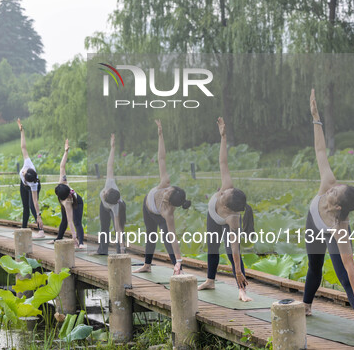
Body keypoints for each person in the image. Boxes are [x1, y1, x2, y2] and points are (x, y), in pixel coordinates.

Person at [302, 89, 354, 339]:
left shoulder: (341, 229)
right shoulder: (328, 182)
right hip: (313, 224)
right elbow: (320, 151)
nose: (331, 189)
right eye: (335, 187)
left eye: (334, 193)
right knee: (315, 268)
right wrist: (316, 118)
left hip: (330, 232)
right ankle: (306, 306)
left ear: (337, 207)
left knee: (345, 276)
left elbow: (352, 269)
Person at [197, 117, 255, 302]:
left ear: (227, 207)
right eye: (223, 193)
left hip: (221, 220)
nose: (219, 193)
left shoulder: (233, 219)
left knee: (231, 253)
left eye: (222, 197)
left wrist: (238, 271)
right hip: (212, 216)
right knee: (212, 247)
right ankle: (210, 280)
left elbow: (236, 250)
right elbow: (223, 162)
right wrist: (223, 137)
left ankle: (242, 291)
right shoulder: (227, 186)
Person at [133, 120, 191, 275]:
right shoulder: (165, 182)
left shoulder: (168, 213)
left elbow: (174, 239)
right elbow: (162, 159)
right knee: (150, 235)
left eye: (167, 195)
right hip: (147, 207)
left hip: (157, 214)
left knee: (167, 240)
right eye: (168, 190)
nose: (165, 192)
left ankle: (178, 269)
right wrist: (160, 135)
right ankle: (147, 264)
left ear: (169, 201)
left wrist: (179, 260)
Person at [49, 139, 85, 249]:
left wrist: (66, 151)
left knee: (77, 221)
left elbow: (62, 166)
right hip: (68, 202)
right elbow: (69, 221)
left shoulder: (63, 182)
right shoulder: (65, 200)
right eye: (69, 194)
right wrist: (73, 238)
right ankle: (59, 238)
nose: (70, 193)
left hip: (77, 202)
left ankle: (81, 242)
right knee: (64, 220)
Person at [97, 133, 126, 254]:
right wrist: (112, 147)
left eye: (104, 195)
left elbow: (118, 228)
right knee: (104, 227)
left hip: (118, 207)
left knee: (117, 227)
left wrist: (123, 247)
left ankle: (121, 250)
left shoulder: (115, 207)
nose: (103, 193)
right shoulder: (110, 183)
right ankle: (102, 250)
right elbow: (110, 165)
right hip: (104, 207)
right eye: (105, 193)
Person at [17, 119, 45, 238]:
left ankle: (41, 230)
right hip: (23, 186)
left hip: (31, 188)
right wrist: (22, 131)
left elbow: (35, 201)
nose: (23, 173)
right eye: (24, 174)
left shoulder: (33, 184)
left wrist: (38, 215)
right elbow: (23, 147)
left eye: (24, 175)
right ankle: (24, 228)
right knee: (25, 206)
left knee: (32, 205)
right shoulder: (28, 164)